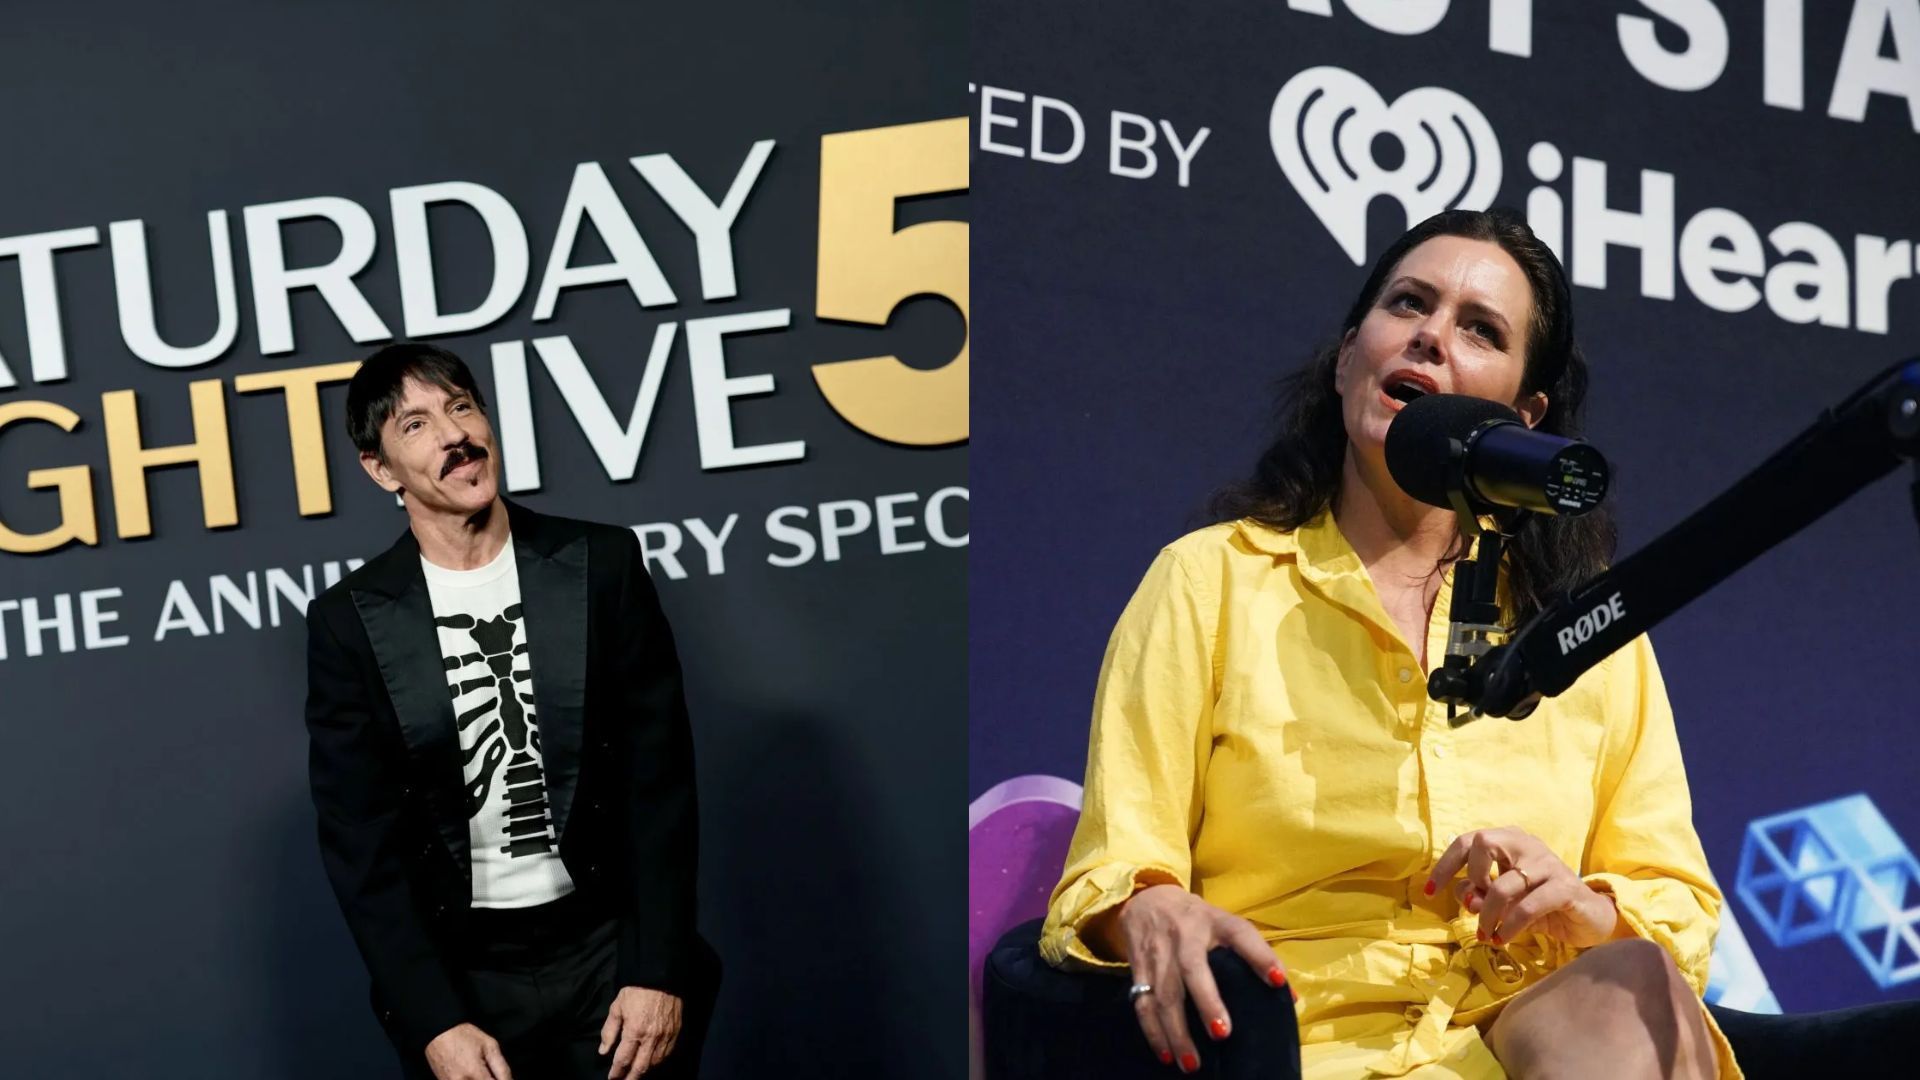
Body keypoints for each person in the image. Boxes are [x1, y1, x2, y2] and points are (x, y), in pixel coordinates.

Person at [1041, 209, 1736, 1080]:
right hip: (1297, 1043)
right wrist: (1149, 907)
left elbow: (1678, 901)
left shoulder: (1581, 630)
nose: (1432, 336)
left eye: (1480, 330)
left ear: (1523, 416)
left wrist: (1583, 908)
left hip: (1535, 1038)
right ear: (1346, 359)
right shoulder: (1208, 580)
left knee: (1632, 982)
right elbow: (1109, 871)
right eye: (1409, 304)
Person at [305, 343, 719, 1080]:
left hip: (609, 956)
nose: (454, 435)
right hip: (467, 983)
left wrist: (659, 969)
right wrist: (434, 1019)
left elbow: (659, 786)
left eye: (462, 407)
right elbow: (361, 847)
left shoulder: (602, 565)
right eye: (417, 426)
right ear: (379, 469)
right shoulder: (350, 622)